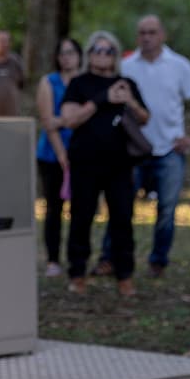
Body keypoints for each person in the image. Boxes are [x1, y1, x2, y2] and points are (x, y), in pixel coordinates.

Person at [99, 15, 190, 279]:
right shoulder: (126, 66)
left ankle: (158, 261)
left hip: (169, 149)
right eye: (142, 33)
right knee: (121, 206)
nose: (147, 37)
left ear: (163, 35)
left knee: (167, 211)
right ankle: (108, 258)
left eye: (152, 32)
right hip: (132, 151)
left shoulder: (179, 65)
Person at [60, 31, 148, 297]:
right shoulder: (79, 83)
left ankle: (124, 275)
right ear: (89, 54)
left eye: (109, 50)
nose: (103, 55)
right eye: (98, 50)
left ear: (116, 55)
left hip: (119, 164)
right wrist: (101, 100)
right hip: (85, 162)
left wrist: (129, 101)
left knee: (122, 218)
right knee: (82, 217)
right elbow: (69, 119)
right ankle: (77, 273)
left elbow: (145, 118)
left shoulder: (126, 83)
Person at [35, 37, 82, 277]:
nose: (67, 57)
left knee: (80, 209)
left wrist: (63, 120)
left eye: (71, 52)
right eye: (62, 53)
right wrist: (62, 154)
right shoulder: (48, 82)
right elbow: (47, 122)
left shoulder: (85, 81)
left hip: (82, 154)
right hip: (51, 156)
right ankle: (53, 259)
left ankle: (77, 258)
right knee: (54, 208)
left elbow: (85, 116)